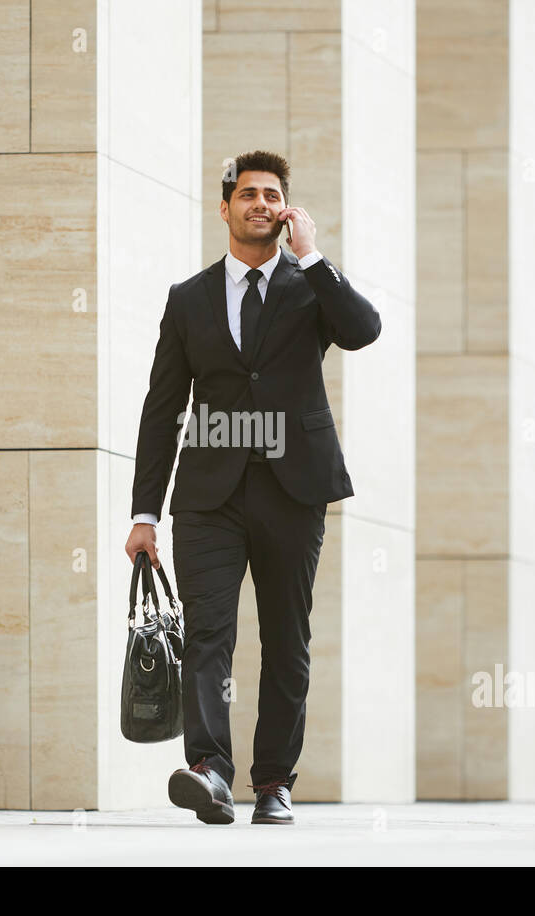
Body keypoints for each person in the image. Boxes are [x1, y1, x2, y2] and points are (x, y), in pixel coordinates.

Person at [123, 149, 381, 824]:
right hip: (210, 495)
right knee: (209, 632)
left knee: (286, 639)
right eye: (248, 194)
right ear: (225, 208)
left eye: (272, 195)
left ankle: (273, 785)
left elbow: (365, 331)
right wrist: (144, 512)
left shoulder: (309, 287)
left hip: (294, 490)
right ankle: (210, 770)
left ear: (286, 208)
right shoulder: (189, 300)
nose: (260, 204)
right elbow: (162, 408)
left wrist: (315, 256)